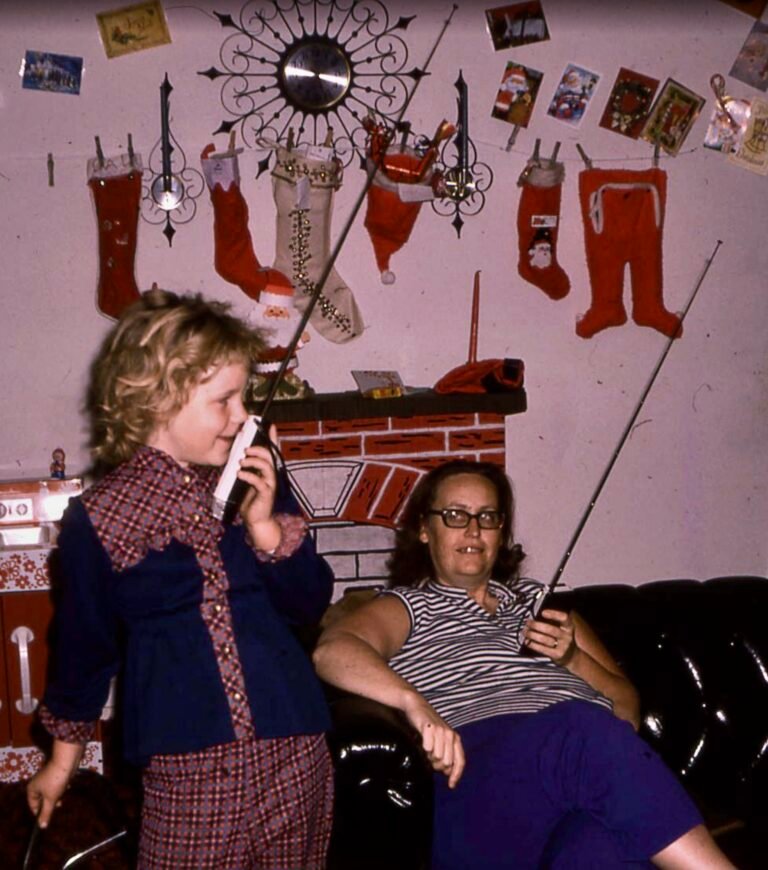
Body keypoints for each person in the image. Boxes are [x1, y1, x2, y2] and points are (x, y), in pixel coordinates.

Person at [27, 288, 335, 869]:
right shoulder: (99, 517)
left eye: (243, 397)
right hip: (186, 765)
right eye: (224, 400)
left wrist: (265, 529)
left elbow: (309, 603)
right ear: (158, 400)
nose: (242, 415)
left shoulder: (253, 477)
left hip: (295, 745)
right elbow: (84, 648)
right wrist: (62, 762)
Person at [313, 459, 736, 869]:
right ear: (424, 529)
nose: (474, 530)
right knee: (582, 728)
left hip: (570, 778)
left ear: (501, 533)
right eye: (455, 515)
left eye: (488, 517)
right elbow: (332, 650)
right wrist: (414, 704)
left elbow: (626, 707)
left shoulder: (539, 603)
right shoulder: (406, 606)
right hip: (476, 783)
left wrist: (572, 659)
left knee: (601, 844)